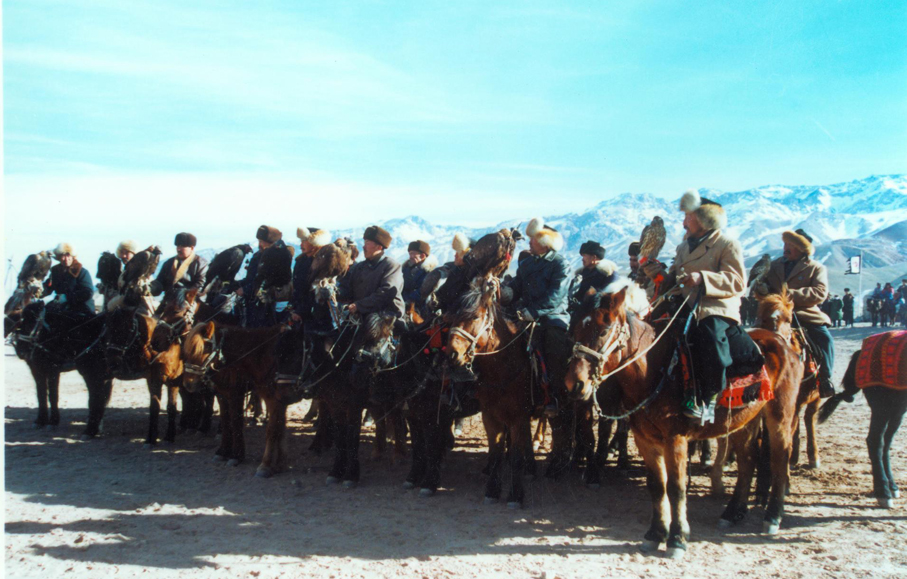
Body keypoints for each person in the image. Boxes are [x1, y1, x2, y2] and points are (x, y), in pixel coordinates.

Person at [643, 190, 747, 420]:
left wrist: (703, 278)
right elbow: (672, 281)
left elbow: (738, 282)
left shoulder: (727, 244)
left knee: (710, 337)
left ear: (703, 220)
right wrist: (654, 271)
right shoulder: (683, 248)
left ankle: (708, 398)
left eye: (688, 217)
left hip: (714, 307)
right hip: (684, 303)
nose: (683, 223)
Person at [754, 229, 835, 398]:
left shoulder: (816, 268)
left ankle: (825, 379)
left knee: (825, 339)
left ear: (802, 249)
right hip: (775, 313)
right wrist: (760, 289)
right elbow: (761, 287)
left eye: (790, 245)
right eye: (785, 244)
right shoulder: (773, 265)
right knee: (753, 338)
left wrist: (788, 295)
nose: (786, 248)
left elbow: (820, 292)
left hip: (803, 314)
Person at [505, 217, 571, 416]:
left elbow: (556, 296)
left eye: (533, 239)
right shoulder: (527, 264)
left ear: (544, 241)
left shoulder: (560, 264)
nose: (530, 242)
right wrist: (501, 292)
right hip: (526, 316)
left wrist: (533, 312)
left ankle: (556, 397)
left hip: (552, 317)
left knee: (554, 350)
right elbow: (515, 287)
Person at [338, 225, 404, 319]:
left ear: (379, 247)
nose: (363, 246)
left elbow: (386, 293)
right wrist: (333, 292)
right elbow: (348, 291)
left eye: (367, 243)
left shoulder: (391, 266)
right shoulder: (360, 267)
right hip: (361, 316)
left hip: (385, 317)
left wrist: (359, 305)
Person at [238, 225, 289, 328]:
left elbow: (269, 281)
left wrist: (245, 290)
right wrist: (238, 285)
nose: (259, 244)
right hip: (252, 302)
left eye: (262, 241)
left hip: (266, 304)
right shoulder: (258, 256)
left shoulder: (279, 256)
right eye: (259, 241)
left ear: (271, 242)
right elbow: (251, 278)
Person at [568, 240, 617, 328]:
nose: (582, 259)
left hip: (597, 317)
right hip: (577, 312)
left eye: (584, 256)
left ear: (594, 257)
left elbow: (609, 297)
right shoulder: (582, 274)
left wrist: (595, 294)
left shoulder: (608, 274)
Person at [290, 226, 332, 328]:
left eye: (304, 241)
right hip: (298, 313)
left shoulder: (323, 264)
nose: (301, 245)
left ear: (314, 243)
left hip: (316, 315)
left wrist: (300, 311)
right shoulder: (300, 261)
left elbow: (312, 293)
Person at [43, 242, 96, 319]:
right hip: (62, 309)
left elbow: (88, 292)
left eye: (68, 255)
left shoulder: (82, 272)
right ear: (58, 257)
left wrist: (66, 297)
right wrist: (36, 290)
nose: (66, 259)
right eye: (63, 256)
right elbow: (47, 288)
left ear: (72, 256)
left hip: (82, 310)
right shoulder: (56, 272)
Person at [401, 240, 437, 305]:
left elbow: (422, 293)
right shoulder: (405, 269)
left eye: (412, 254)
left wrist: (405, 301)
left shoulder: (429, 273)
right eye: (409, 254)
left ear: (422, 256)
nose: (410, 257)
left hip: (417, 307)